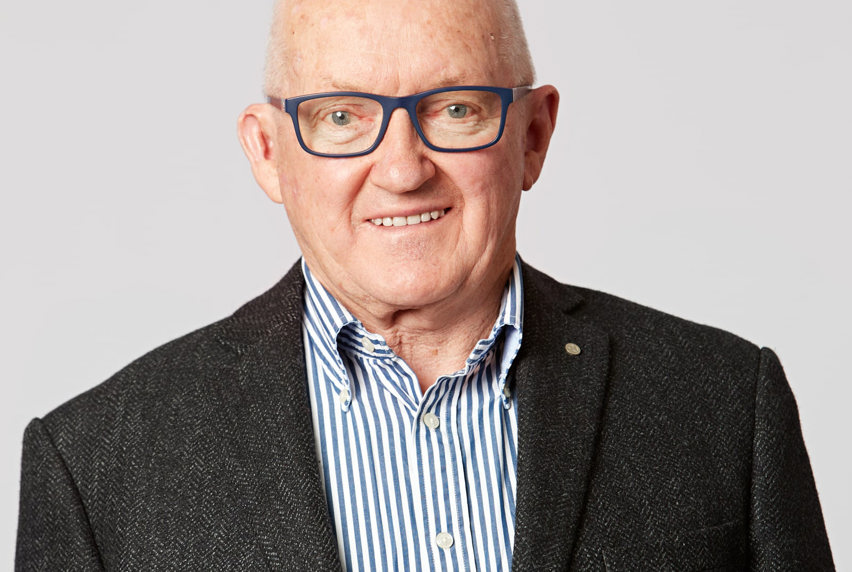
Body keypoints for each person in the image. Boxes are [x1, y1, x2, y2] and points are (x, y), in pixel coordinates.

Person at [16, 0, 833, 569]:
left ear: (534, 135)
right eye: (340, 117)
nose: (403, 170)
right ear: (268, 151)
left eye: (456, 109)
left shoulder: (724, 406)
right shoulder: (95, 466)